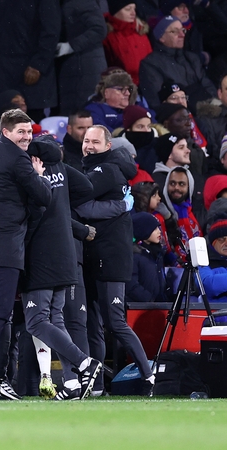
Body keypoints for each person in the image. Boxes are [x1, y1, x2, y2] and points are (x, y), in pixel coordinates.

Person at [0, 109, 52, 400]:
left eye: (29, 132)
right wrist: (42, 176)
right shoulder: (16, 158)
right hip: (4, 248)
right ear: (5, 131)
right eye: (21, 132)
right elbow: (44, 196)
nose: (27, 137)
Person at [20, 134, 102, 401]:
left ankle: (84, 363)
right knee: (57, 319)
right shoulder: (61, 169)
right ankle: (72, 382)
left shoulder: (30, 172)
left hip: (41, 256)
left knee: (35, 322)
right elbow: (87, 187)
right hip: (67, 253)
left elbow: (30, 216)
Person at [76, 124, 155, 396]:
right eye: (86, 140)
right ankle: (96, 386)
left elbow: (78, 199)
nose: (89, 145)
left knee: (115, 322)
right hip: (94, 255)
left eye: (95, 141)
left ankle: (148, 376)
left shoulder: (106, 170)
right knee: (94, 325)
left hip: (111, 257)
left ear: (108, 146)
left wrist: (114, 207)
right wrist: (119, 206)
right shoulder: (94, 168)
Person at [0, 0, 61, 120]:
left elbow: (51, 31)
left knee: (31, 123)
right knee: (2, 120)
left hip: (30, 71)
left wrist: (38, 64)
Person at [139, 15, 217, 110]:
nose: (182, 35)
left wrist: (217, 108)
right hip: (182, 118)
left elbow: (208, 87)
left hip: (210, 113)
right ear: (161, 37)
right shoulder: (150, 64)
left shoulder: (192, 58)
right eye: (174, 31)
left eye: (182, 30)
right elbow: (158, 102)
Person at [56, 0, 107, 115]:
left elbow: (99, 29)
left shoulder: (82, 1)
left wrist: (71, 46)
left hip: (85, 68)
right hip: (75, 67)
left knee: (82, 114)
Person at [103, 1, 152, 85]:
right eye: (128, 9)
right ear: (116, 11)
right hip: (124, 88)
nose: (133, 13)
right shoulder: (108, 36)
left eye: (134, 9)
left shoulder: (141, 31)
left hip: (148, 86)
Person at [127, 212, 168, 303]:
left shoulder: (157, 254)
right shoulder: (134, 255)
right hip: (139, 308)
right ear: (144, 231)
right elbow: (131, 285)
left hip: (157, 307)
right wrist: (149, 299)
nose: (159, 231)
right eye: (155, 229)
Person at [199, 216, 227, 302]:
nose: (226, 244)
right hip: (216, 312)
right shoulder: (202, 260)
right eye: (222, 240)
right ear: (213, 242)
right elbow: (209, 285)